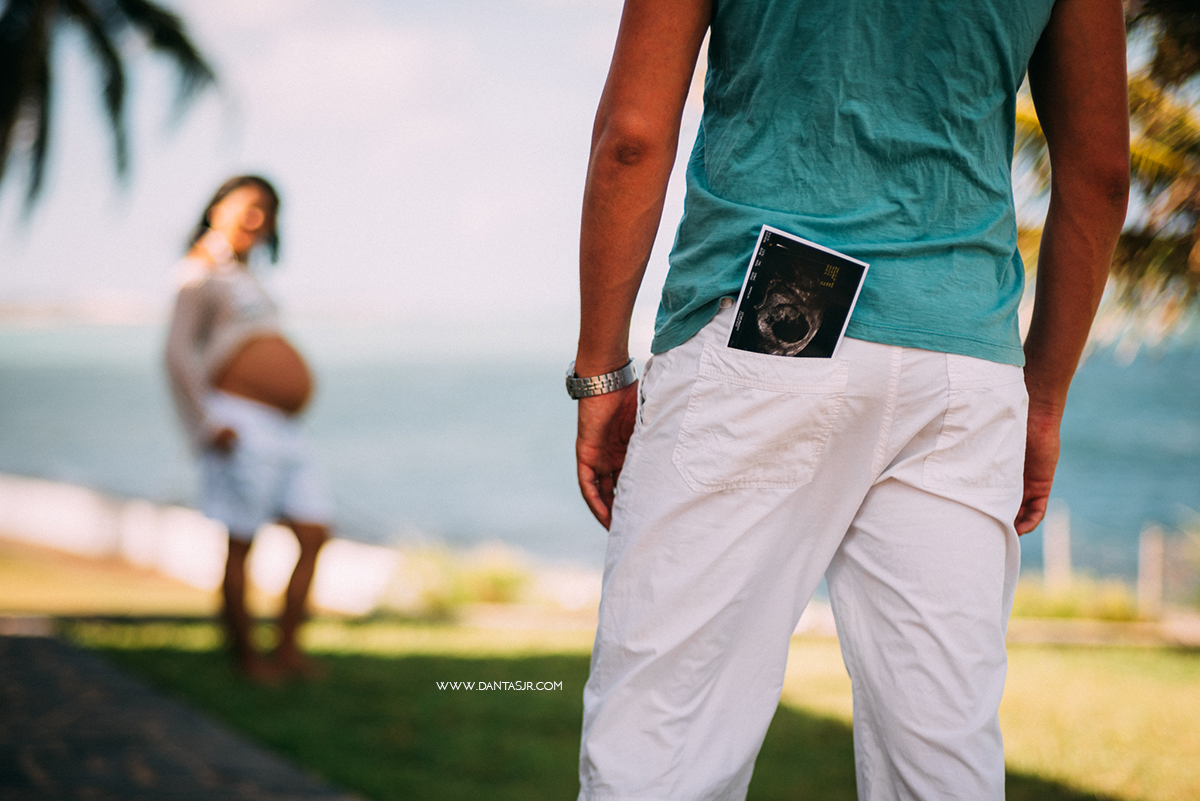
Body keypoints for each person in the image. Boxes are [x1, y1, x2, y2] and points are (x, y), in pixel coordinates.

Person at [569, 1, 1129, 799]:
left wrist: (600, 370)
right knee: (941, 757)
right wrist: (1043, 397)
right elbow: (1102, 175)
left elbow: (632, 137)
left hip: (769, 323)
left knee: (662, 740)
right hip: (964, 361)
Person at [165, 175, 330, 682]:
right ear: (217, 207)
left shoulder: (245, 275)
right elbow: (176, 355)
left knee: (314, 530)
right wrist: (206, 424)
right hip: (237, 424)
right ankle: (248, 658)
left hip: (281, 429)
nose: (258, 219)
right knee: (242, 542)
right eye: (249, 206)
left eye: (268, 211)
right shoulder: (198, 273)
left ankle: (287, 650)